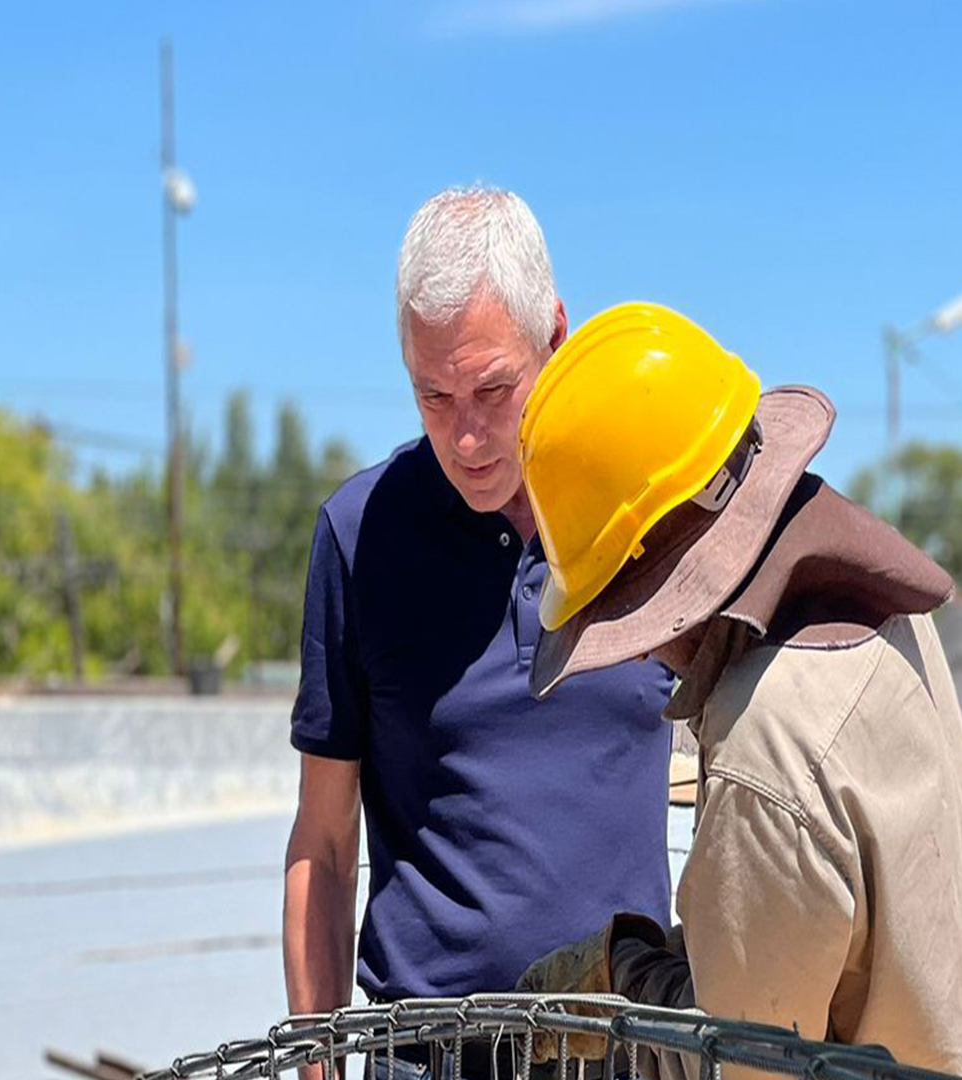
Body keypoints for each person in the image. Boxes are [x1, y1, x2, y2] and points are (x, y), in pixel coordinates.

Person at [514, 302, 962, 1080]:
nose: (648, 651)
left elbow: (737, 1065)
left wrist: (627, 977)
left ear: (657, 583)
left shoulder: (768, 745)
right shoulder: (883, 615)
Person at [282, 190, 677, 1080]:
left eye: (494, 389)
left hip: (626, 1053)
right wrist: (316, 1064)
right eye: (433, 394)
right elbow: (324, 841)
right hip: (420, 1059)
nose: (465, 436)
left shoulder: (647, 514)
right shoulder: (359, 536)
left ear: (558, 339)